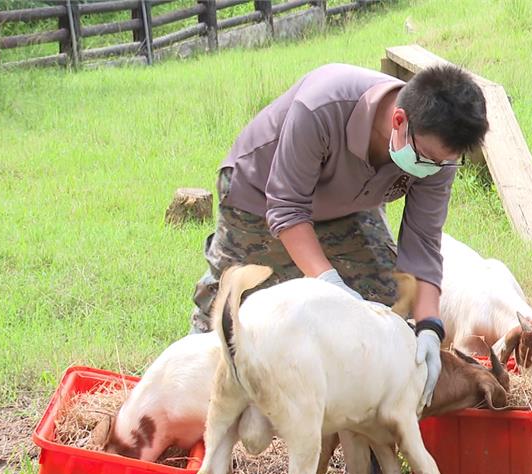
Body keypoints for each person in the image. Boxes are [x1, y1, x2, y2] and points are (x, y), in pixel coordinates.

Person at [191, 62, 488, 409]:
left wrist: (428, 326)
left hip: (347, 206)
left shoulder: (436, 155)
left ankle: (366, 425)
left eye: (443, 162)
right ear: (399, 121)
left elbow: (422, 242)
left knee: (388, 305)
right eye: (428, 158)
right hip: (259, 195)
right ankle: (187, 391)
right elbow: (286, 208)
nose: (433, 169)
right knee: (227, 310)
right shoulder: (321, 106)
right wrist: (330, 283)